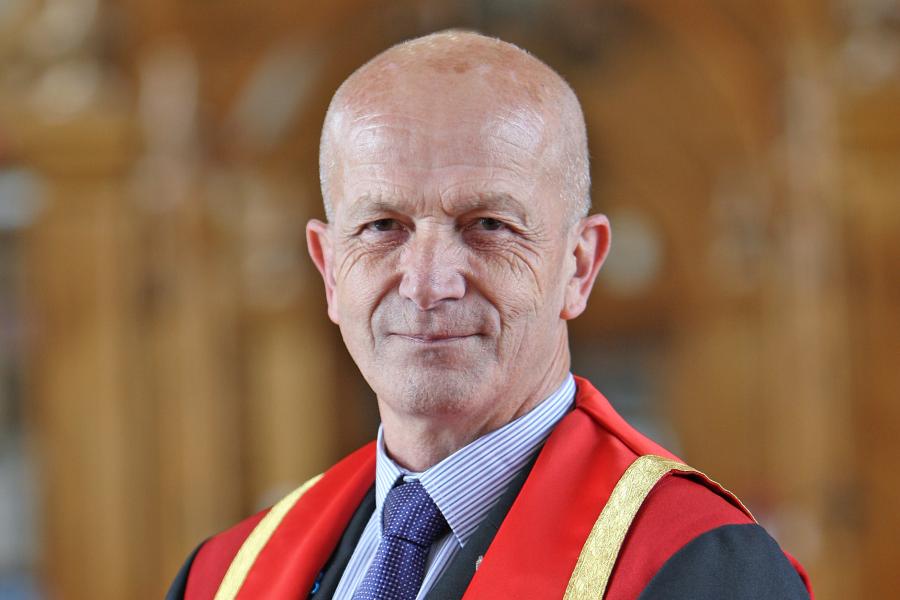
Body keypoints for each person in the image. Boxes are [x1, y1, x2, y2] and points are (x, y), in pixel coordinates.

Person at [167, 30, 813, 599]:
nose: (427, 283)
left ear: (579, 265)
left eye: (489, 225)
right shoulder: (223, 577)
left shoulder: (700, 568)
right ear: (330, 268)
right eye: (381, 225)